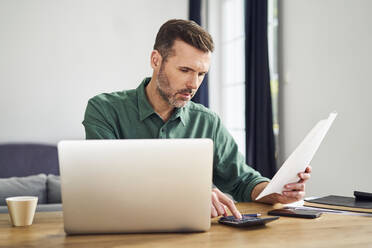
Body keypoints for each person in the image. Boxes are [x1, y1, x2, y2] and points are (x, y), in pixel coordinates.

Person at [82, 19, 311, 219]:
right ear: (155, 60)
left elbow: (242, 181)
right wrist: (190, 196)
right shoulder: (104, 110)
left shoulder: (207, 121)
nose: (193, 84)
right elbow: (107, 186)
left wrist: (277, 191)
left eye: (201, 74)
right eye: (184, 70)